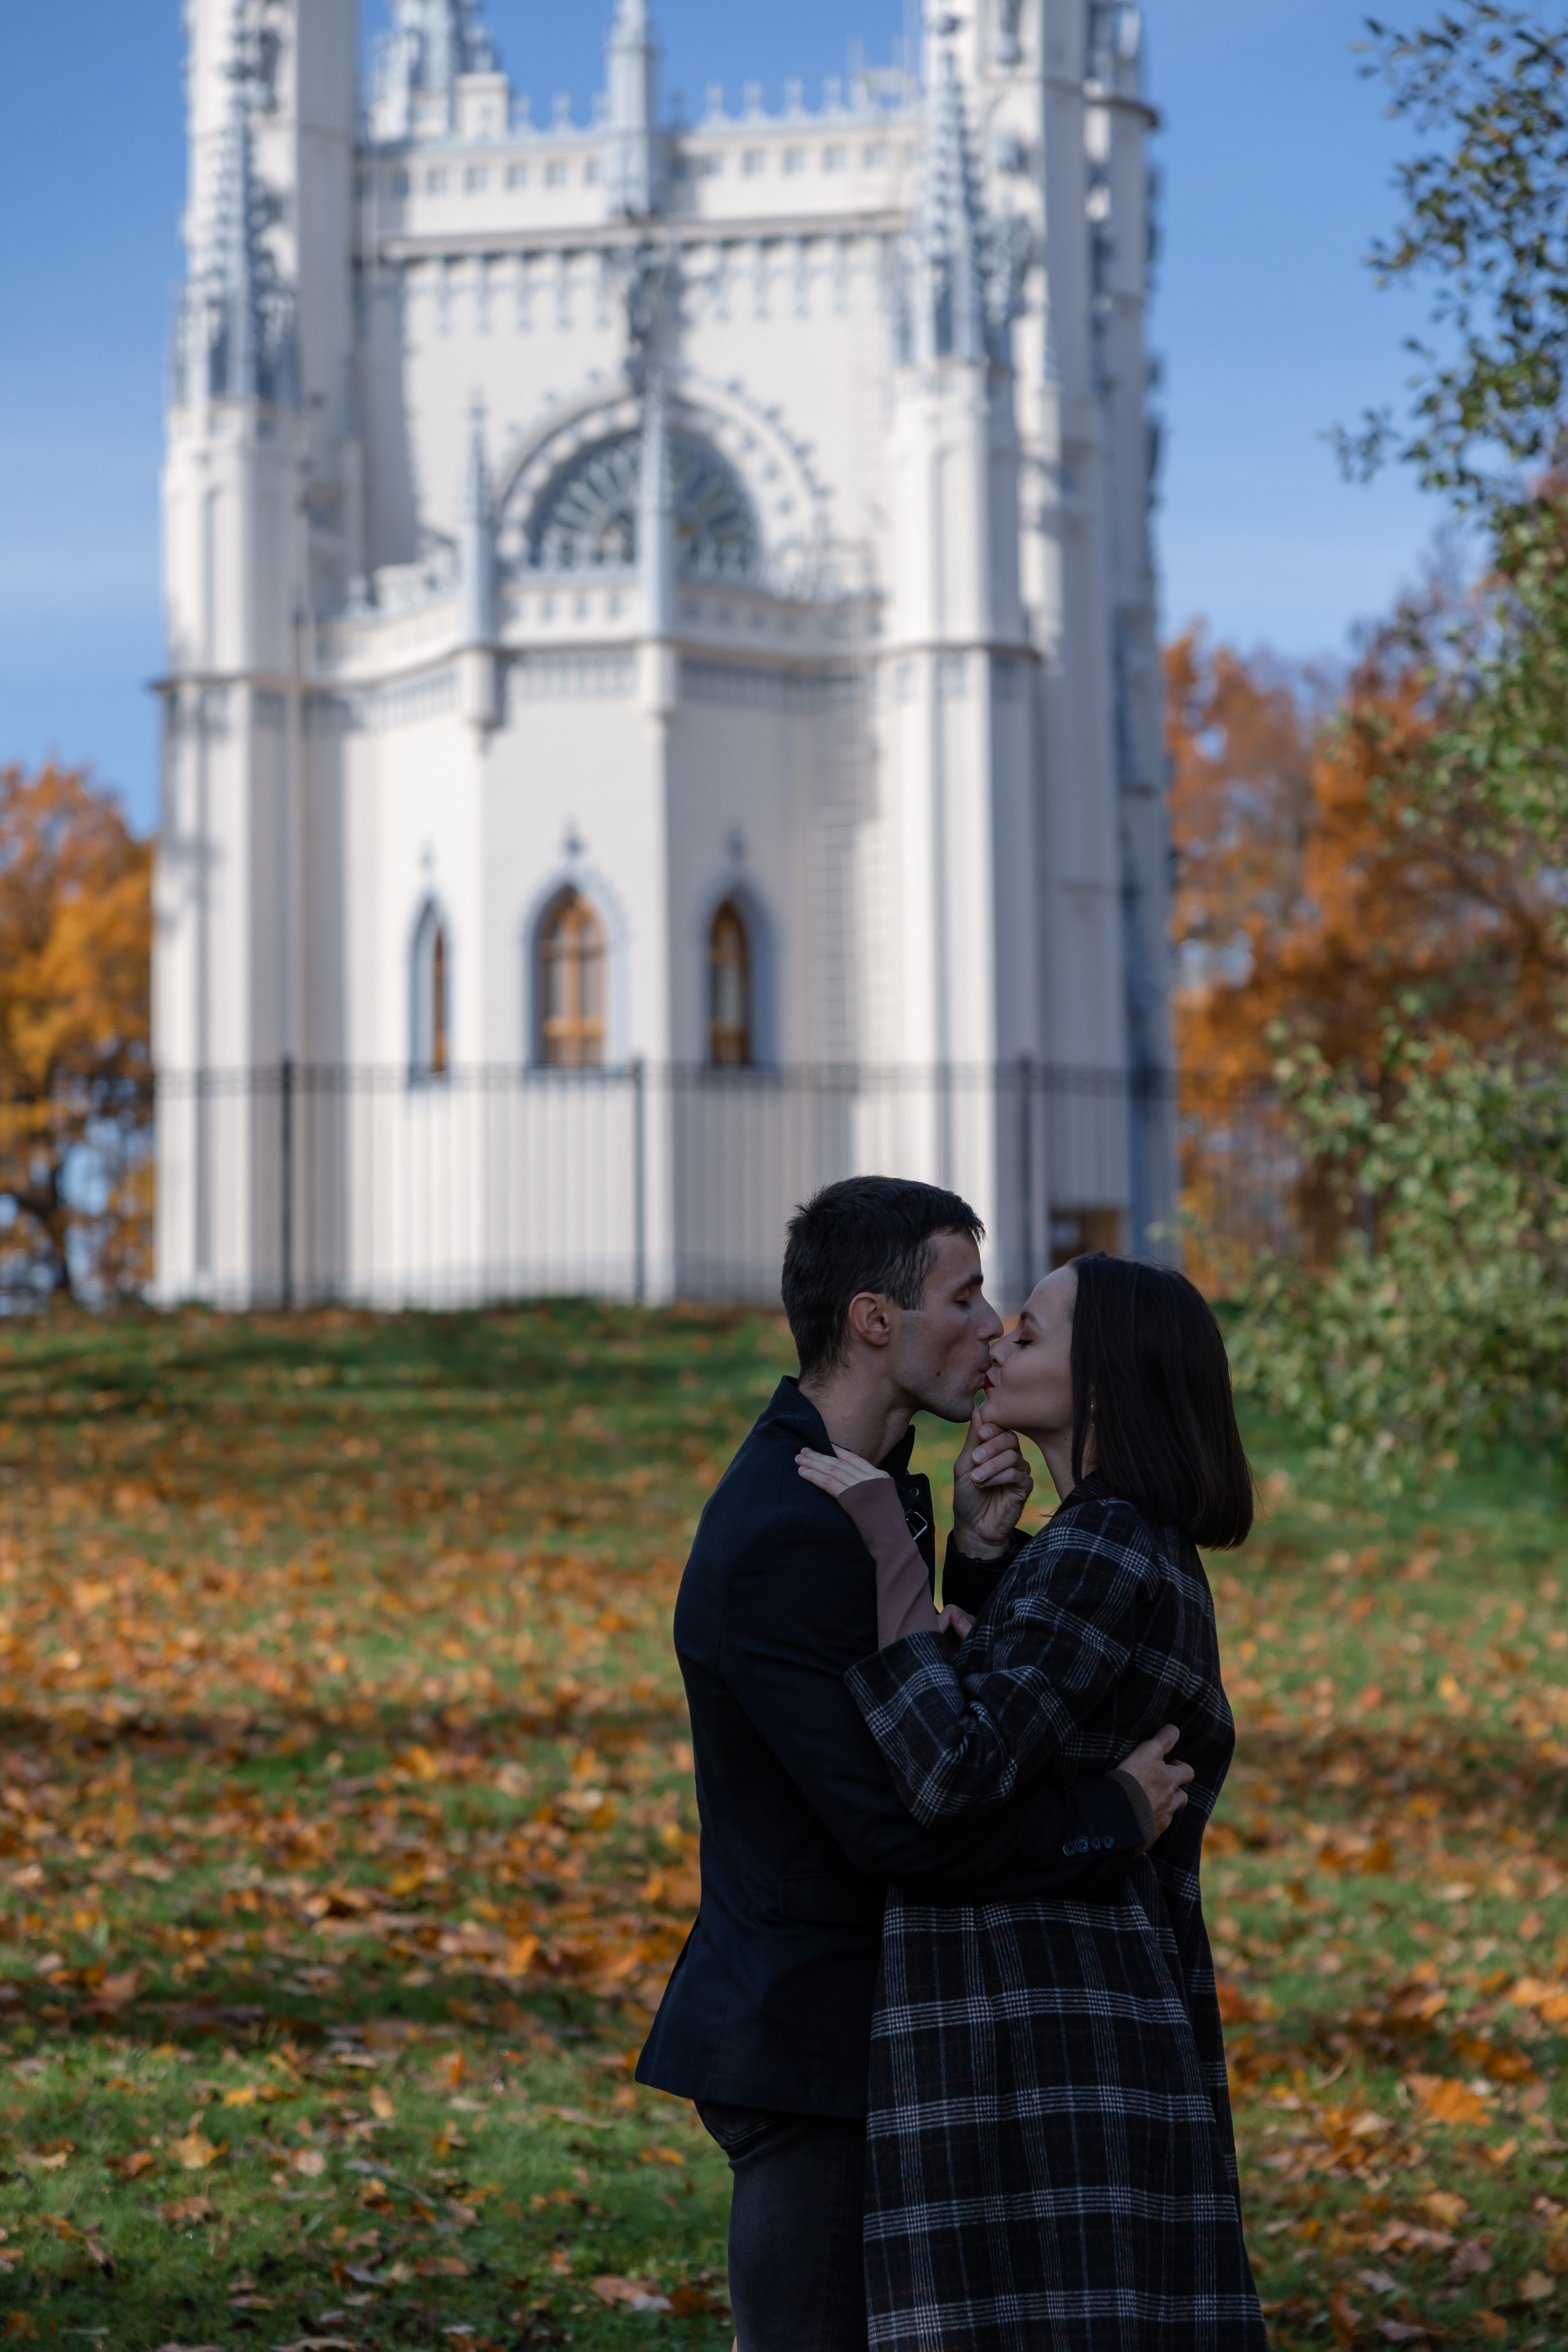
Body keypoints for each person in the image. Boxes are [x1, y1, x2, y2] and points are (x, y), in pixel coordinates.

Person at [636, 1183, 1194, 2352]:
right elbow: (898, 1827)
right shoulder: (792, 1526)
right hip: (814, 2054)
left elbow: (955, 1719)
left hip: (888, 2044)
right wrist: (1108, 1816)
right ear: (875, 1320)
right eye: (966, 1295)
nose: (990, 1326)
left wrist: (980, 1563)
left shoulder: (874, 1494)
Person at [798, 1251, 1268, 2351]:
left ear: (1105, 1378)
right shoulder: (1118, 1546)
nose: (1000, 1335)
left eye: (1035, 1332)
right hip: (1069, 2014)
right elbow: (1041, 1725)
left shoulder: (1107, 1543)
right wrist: (986, 1562)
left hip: (1039, 2027)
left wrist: (890, 1551)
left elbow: (953, 1770)